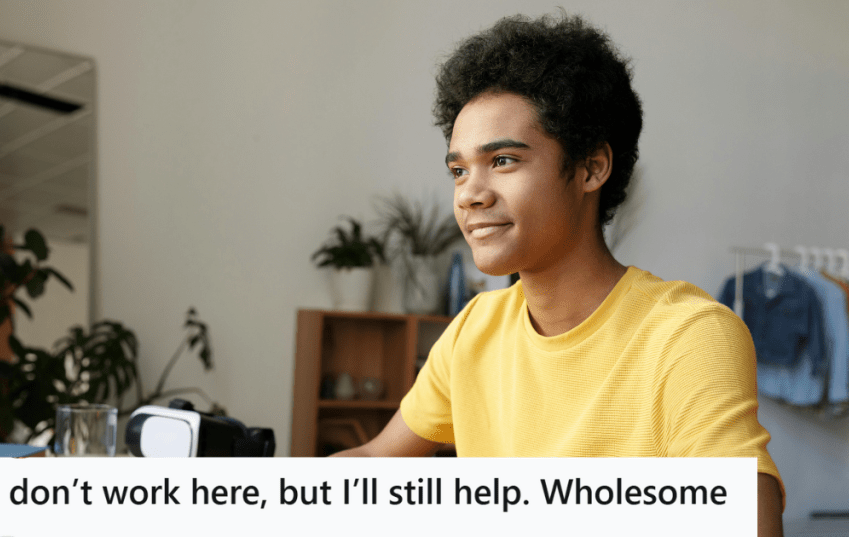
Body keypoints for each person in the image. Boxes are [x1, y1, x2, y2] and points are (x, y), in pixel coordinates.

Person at [331, 13, 784, 535]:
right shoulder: (473, 330)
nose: (469, 194)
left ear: (592, 168)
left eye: (502, 160)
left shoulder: (688, 335)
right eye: (459, 169)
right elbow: (374, 465)